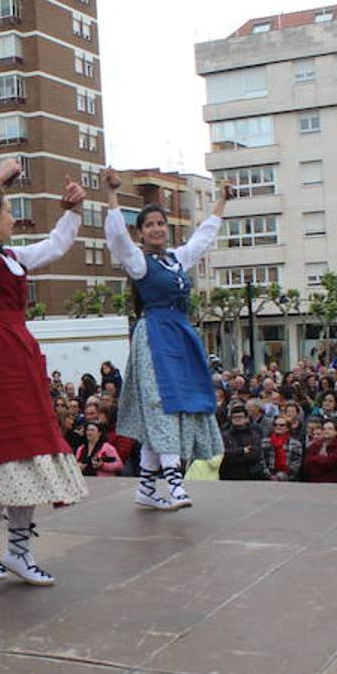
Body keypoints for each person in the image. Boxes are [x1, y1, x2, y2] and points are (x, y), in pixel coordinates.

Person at [0, 160, 88, 587]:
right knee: (9, 450)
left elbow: (55, 246)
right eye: (7, 210)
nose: (13, 218)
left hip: (17, 352)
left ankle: (12, 550)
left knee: (28, 450)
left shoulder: (10, 257)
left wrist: (75, 212)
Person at [106, 169, 231, 510]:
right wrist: (113, 196)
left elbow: (203, 238)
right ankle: (174, 482)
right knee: (161, 405)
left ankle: (147, 488)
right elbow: (117, 239)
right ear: (141, 233)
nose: (157, 228)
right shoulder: (139, 263)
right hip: (155, 338)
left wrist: (221, 201)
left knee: (172, 408)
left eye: (160, 223)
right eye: (149, 225)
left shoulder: (177, 259)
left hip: (180, 337)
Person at [219, 403, 268, 481]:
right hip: (229, 474)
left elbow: (255, 455)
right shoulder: (224, 435)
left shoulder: (254, 435)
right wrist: (242, 451)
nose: (237, 419)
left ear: (246, 418)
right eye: (234, 417)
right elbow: (223, 454)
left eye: (240, 417)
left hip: (250, 475)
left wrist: (235, 455)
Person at [265, 414, 303, 481]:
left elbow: (296, 463)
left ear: (287, 428)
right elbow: (262, 461)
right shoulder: (265, 442)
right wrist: (269, 475)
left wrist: (284, 475)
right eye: (275, 425)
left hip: (289, 479)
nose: (278, 427)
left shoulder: (296, 444)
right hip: (267, 478)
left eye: (281, 425)